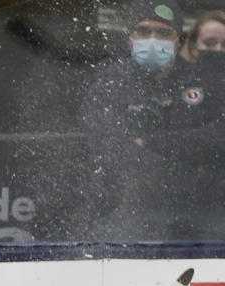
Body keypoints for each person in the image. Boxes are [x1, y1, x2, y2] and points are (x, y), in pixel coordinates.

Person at [75, 0, 195, 240]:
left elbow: (203, 146)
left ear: (179, 41)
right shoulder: (109, 84)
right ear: (130, 40)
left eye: (163, 32)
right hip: (121, 210)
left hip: (190, 215)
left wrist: (147, 142)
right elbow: (105, 145)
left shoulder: (195, 85)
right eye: (143, 31)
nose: (152, 39)